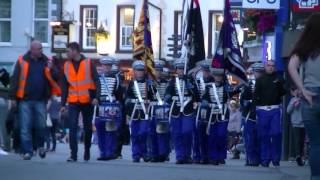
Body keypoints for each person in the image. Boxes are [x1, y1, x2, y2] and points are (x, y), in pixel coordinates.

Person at [9, 40, 61, 160]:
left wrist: (52, 69)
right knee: (25, 126)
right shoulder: (22, 60)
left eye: (42, 48)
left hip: (40, 99)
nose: (42, 50)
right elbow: (15, 79)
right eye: (39, 49)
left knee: (41, 125)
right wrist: (12, 97)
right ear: (32, 50)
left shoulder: (46, 61)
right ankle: (27, 151)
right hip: (25, 99)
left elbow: (56, 77)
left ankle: (40, 146)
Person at [288, 13, 320, 180]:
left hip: (310, 97)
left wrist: (302, 88)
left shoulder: (304, 47)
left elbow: (292, 67)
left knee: (315, 144)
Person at [60, 42, 99, 162]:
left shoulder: (88, 63)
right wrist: (62, 104)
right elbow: (64, 86)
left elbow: (97, 81)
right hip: (73, 101)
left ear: (75, 51)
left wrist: (97, 97)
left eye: (68, 51)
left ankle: (87, 150)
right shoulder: (66, 65)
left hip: (87, 101)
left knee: (87, 128)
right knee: (72, 127)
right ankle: (73, 155)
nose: (66, 53)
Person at [164, 59, 199, 164]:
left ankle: (187, 155)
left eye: (182, 68)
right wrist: (168, 97)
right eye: (179, 68)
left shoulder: (191, 81)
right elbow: (167, 94)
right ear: (176, 70)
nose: (180, 71)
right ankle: (180, 156)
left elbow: (197, 95)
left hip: (187, 110)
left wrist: (188, 83)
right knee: (177, 134)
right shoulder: (172, 81)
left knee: (187, 132)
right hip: (175, 111)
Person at [254, 60, 286, 167]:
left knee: (276, 133)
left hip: (275, 109)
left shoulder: (279, 79)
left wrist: (283, 86)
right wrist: (254, 111)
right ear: (265, 67)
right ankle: (265, 159)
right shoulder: (260, 80)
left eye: (273, 66)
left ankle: (276, 158)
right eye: (269, 65)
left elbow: (284, 91)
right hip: (262, 110)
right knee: (263, 136)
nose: (271, 67)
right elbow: (255, 96)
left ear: (275, 67)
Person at [204, 67, 238, 165]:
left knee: (221, 135)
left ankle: (221, 156)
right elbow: (204, 98)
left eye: (220, 76)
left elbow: (234, 92)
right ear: (213, 76)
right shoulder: (209, 87)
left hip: (223, 114)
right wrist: (205, 102)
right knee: (212, 137)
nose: (218, 77)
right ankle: (213, 157)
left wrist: (240, 86)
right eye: (216, 75)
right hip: (211, 115)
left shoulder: (226, 87)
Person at [125, 60, 155, 163]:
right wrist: (128, 113)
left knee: (143, 133)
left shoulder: (148, 83)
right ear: (134, 71)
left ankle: (144, 153)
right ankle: (136, 155)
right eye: (138, 70)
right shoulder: (131, 84)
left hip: (145, 112)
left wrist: (151, 92)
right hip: (134, 111)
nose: (140, 72)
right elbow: (127, 97)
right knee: (134, 134)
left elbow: (153, 97)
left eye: (141, 70)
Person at [95, 56, 123, 161]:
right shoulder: (97, 78)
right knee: (100, 130)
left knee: (110, 130)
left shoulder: (116, 78)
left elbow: (119, 94)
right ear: (101, 66)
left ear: (111, 67)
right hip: (100, 105)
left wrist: (118, 106)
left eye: (108, 65)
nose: (106, 67)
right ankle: (102, 152)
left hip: (111, 106)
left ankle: (109, 152)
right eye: (104, 65)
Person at [240, 62, 264, 166]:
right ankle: (250, 159)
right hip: (249, 115)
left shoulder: (266, 83)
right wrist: (247, 102)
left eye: (260, 72)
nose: (258, 74)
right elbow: (243, 99)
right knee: (249, 139)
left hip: (262, 115)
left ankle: (260, 159)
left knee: (260, 138)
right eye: (256, 72)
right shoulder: (248, 84)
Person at [193, 61, 215, 164]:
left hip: (212, 110)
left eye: (208, 71)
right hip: (199, 110)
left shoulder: (215, 81)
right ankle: (197, 156)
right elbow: (194, 95)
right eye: (204, 71)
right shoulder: (197, 82)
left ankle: (208, 156)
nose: (206, 73)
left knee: (209, 135)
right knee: (198, 134)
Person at [149, 60, 170, 162]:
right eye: (156, 70)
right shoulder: (149, 84)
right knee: (152, 133)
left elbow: (168, 96)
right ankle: (154, 154)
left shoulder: (166, 83)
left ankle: (163, 153)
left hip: (162, 110)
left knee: (162, 133)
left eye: (159, 70)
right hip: (151, 109)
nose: (158, 72)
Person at [287, 88, 305, 166]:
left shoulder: (304, 100)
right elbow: (288, 111)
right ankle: (298, 156)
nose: (297, 91)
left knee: (302, 141)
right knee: (297, 140)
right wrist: (294, 104)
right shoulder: (293, 100)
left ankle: (300, 156)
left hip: (304, 123)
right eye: (296, 90)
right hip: (296, 123)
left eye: (298, 90)